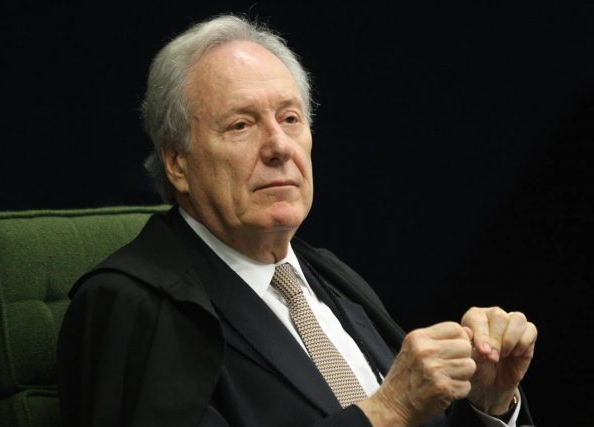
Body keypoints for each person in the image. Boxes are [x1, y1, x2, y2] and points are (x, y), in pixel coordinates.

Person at [57, 14, 537, 427]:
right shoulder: (132, 304)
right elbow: (393, 414)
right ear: (177, 163)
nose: (279, 147)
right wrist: (386, 411)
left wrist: (488, 405)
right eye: (241, 125)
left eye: (290, 119)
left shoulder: (328, 275)